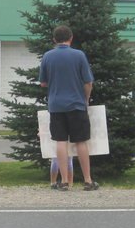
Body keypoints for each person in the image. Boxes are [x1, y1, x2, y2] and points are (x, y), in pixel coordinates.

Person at [39, 25, 99, 191]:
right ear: (71, 38)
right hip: (76, 104)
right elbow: (88, 82)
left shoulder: (47, 56)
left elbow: (43, 82)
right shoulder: (79, 55)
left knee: (60, 141)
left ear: (54, 40)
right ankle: (87, 180)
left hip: (56, 105)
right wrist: (85, 99)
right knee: (81, 141)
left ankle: (64, 181)